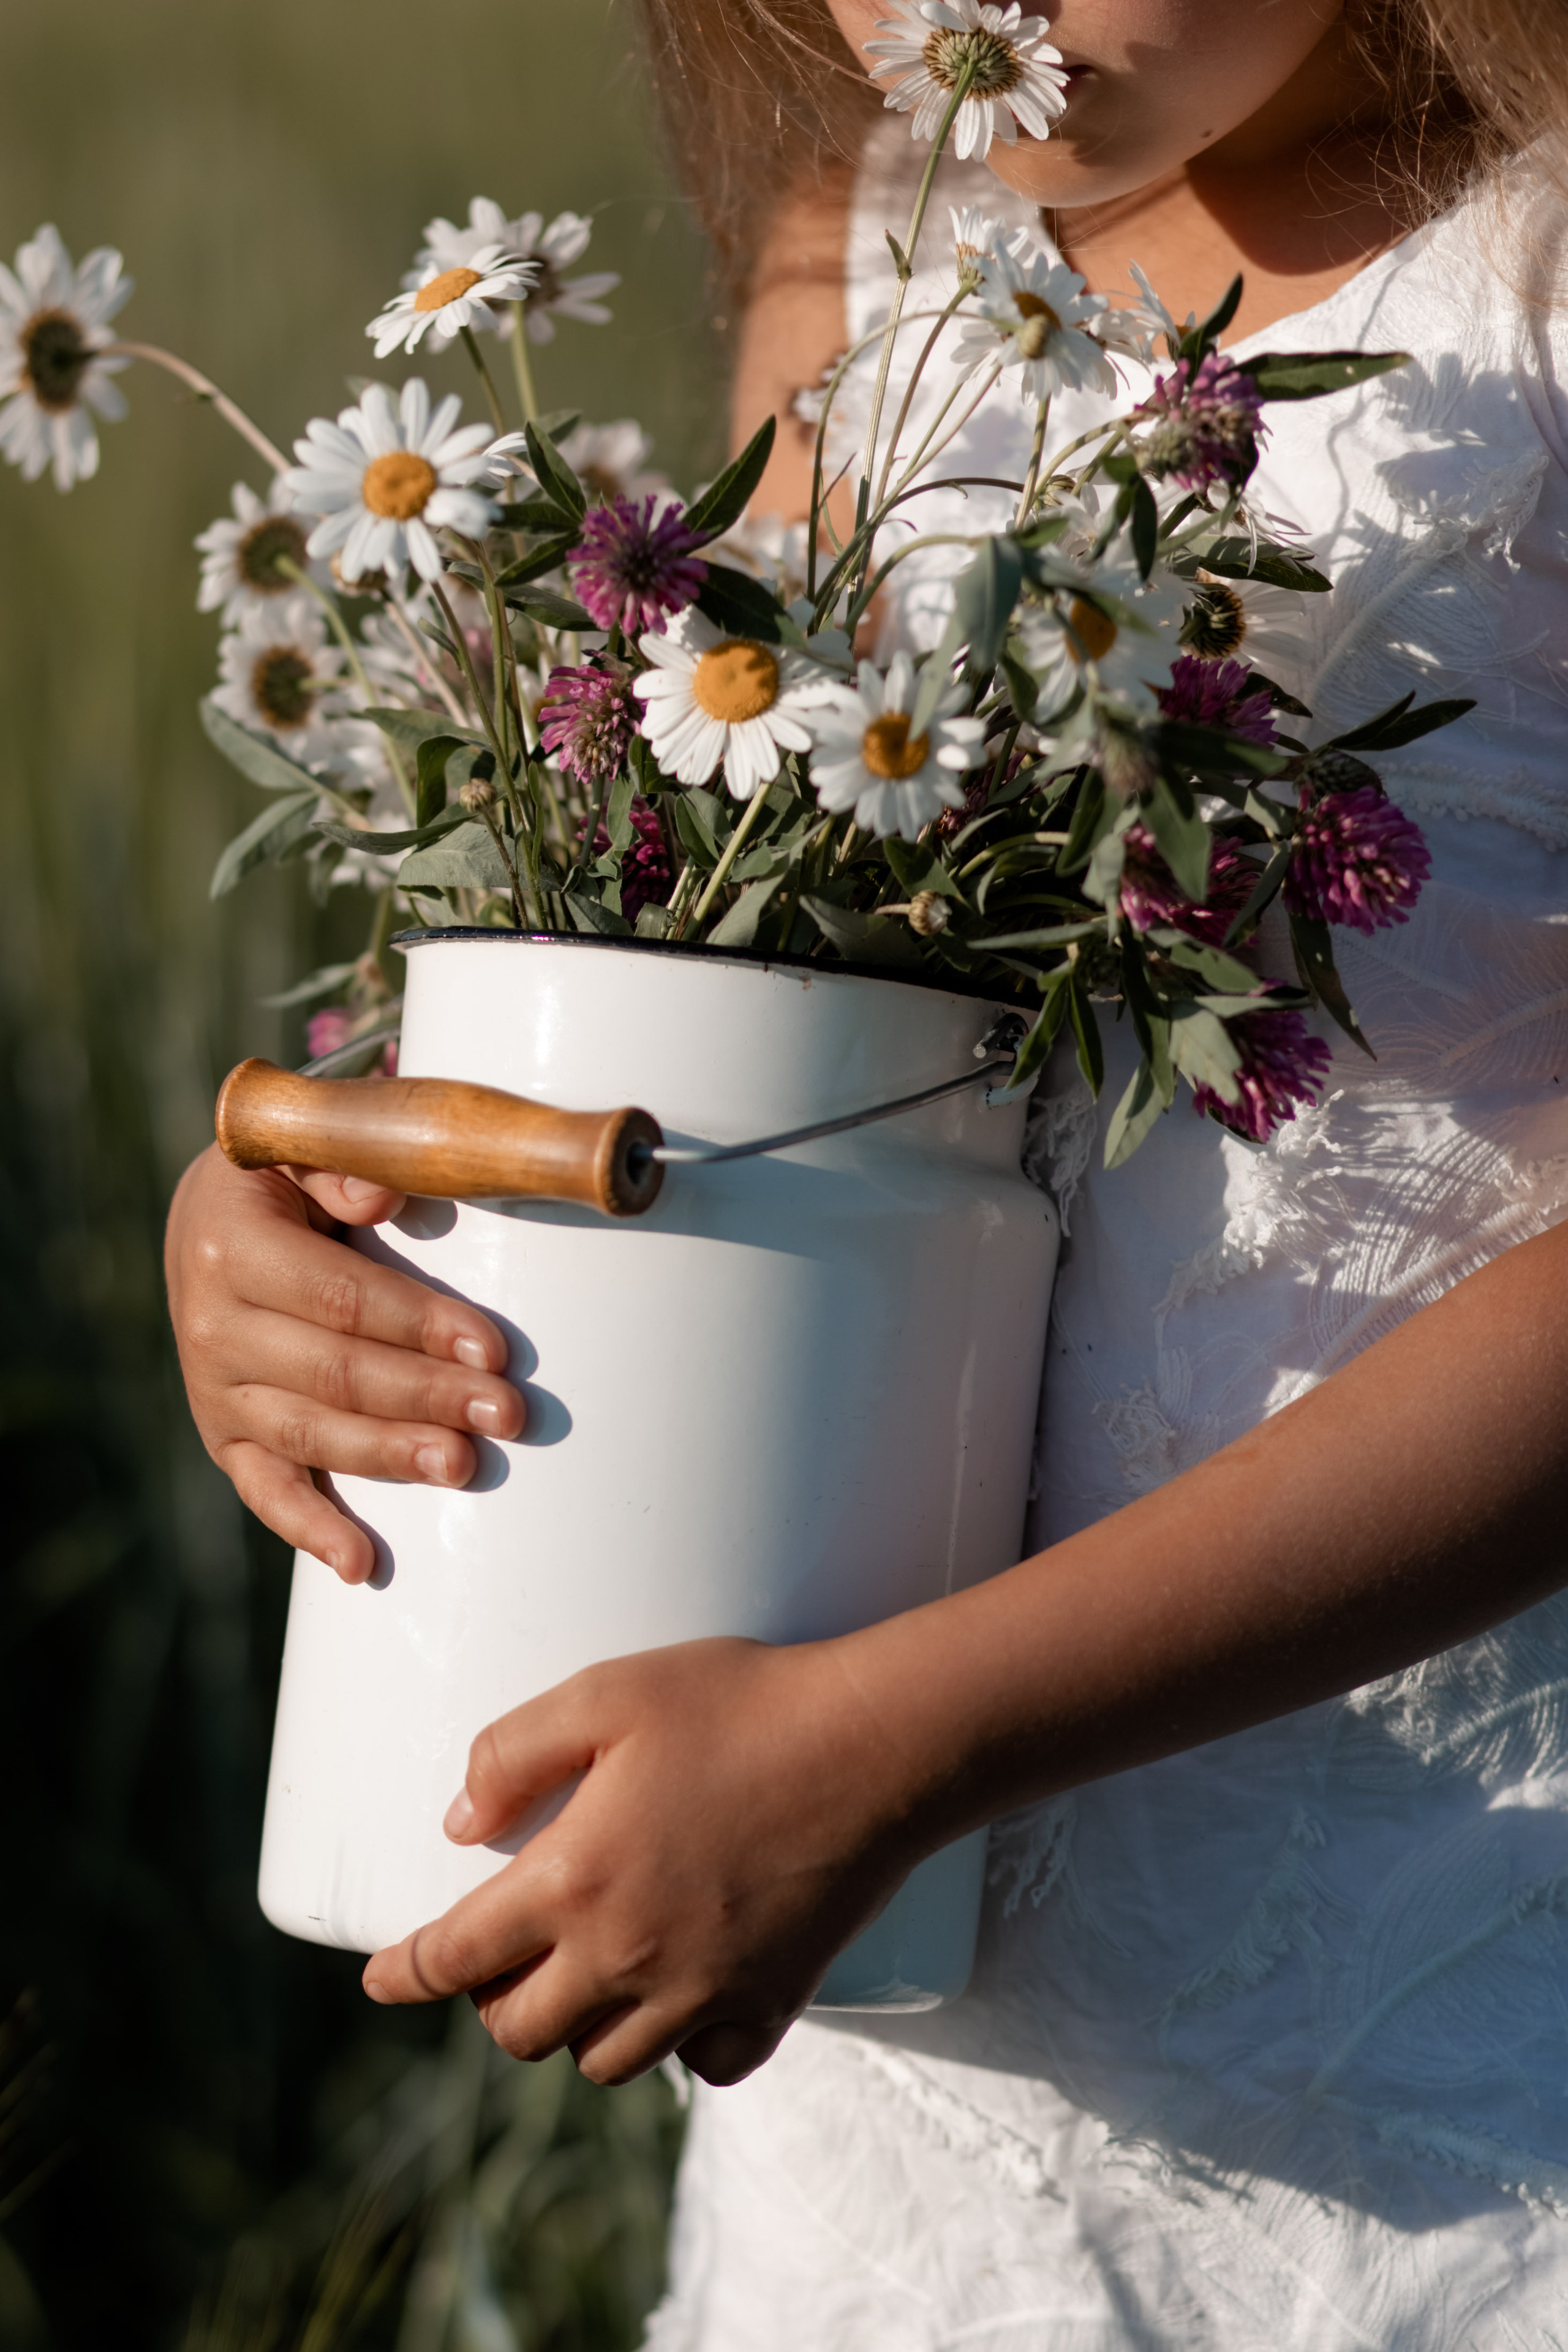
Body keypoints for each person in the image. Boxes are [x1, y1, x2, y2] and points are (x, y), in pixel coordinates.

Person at [164, 0, 1568, 2337]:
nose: (962, 12)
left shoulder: (1530, 303)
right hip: (887, 2067)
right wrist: (312, 1188)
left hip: (1443, 2001)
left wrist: (914, 1735)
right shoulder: (870, 251)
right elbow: (693, 1028)